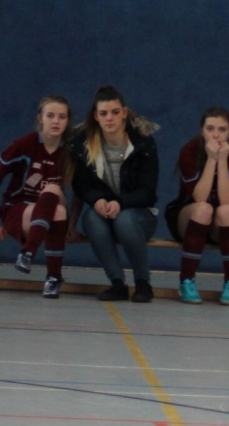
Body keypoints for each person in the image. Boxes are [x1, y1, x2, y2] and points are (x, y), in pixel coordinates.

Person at [70, 85, 160, 303]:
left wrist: (120, 202)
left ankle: (143, 283)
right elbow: (81, 185)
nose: (109, 118)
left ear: (124, 113)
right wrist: (97, 199)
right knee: (91, 217)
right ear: (96, 116)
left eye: (115, 112)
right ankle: (117, 283)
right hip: (105, 214)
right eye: (103, 113)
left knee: (125, 219)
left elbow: (148, 192)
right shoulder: (83, 144)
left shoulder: (143, 143)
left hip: (138, 216)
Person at [165, 107, 229, 305]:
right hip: (188, 217)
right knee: (204, 208)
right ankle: (186, 281)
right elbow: (199, 197)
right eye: (210, 129)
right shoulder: (189, 151)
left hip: (218, 223)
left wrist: (222, 161)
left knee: (228, 211)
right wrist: (211, 159)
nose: (216, 135)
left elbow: (226, 200)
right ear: (201, 130)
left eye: (222, 129)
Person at [0, 95, 72, 298]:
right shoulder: (26, 144)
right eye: (50, 116)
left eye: (62, 117)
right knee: (56, 205)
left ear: (67, 121)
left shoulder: (68, 152)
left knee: (54, 197)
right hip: (18, 209)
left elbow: (80, 193)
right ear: (40, 118)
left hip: (49, 206)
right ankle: (46, 270)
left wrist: (73, 226)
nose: (56, 121)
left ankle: (35, 261)